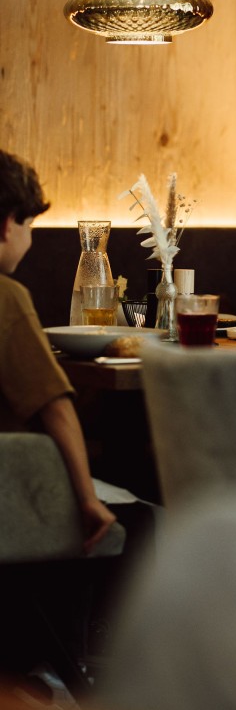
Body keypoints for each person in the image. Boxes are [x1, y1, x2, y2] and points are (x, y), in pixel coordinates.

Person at [0, 149, 116, 551]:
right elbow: (55, 407)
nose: (30, 238)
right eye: (30, 225)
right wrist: (88, 500)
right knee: (151, 520)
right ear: (8, 224)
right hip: (16, 491)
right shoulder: (7, 297)